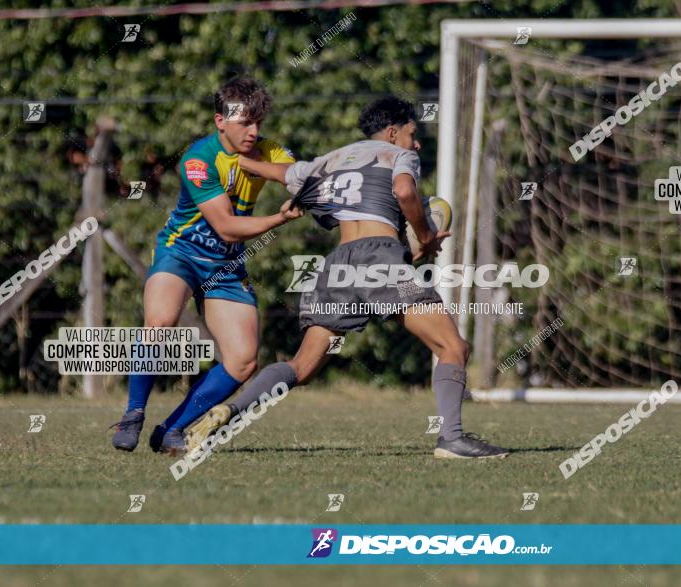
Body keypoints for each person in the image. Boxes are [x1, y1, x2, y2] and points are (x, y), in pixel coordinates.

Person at [187, 96, 509, 459]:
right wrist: (426, 236)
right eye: (411, 133)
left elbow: (281, 173)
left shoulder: (331, 159)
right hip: (380, 258)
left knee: (301, 366)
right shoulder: (399, 156)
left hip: (337, 265)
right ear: (391, 132)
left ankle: (230, 411)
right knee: (453, 347)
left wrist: (240, 160)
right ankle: (451, 439)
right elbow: (405, 192)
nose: (415, 143)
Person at [111, 77, 302, 454]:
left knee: (243, 361)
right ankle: (133, 414)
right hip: (180, 253)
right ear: (220, 121)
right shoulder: (198, 159)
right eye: (244, 122)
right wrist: (278, 219)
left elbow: (298, 173)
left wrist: (293, 177)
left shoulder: (267, 150)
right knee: (160, 322)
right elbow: (228, 228)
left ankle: (171, 429)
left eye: (258, 122)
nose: (254, 131)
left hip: (225, 266)